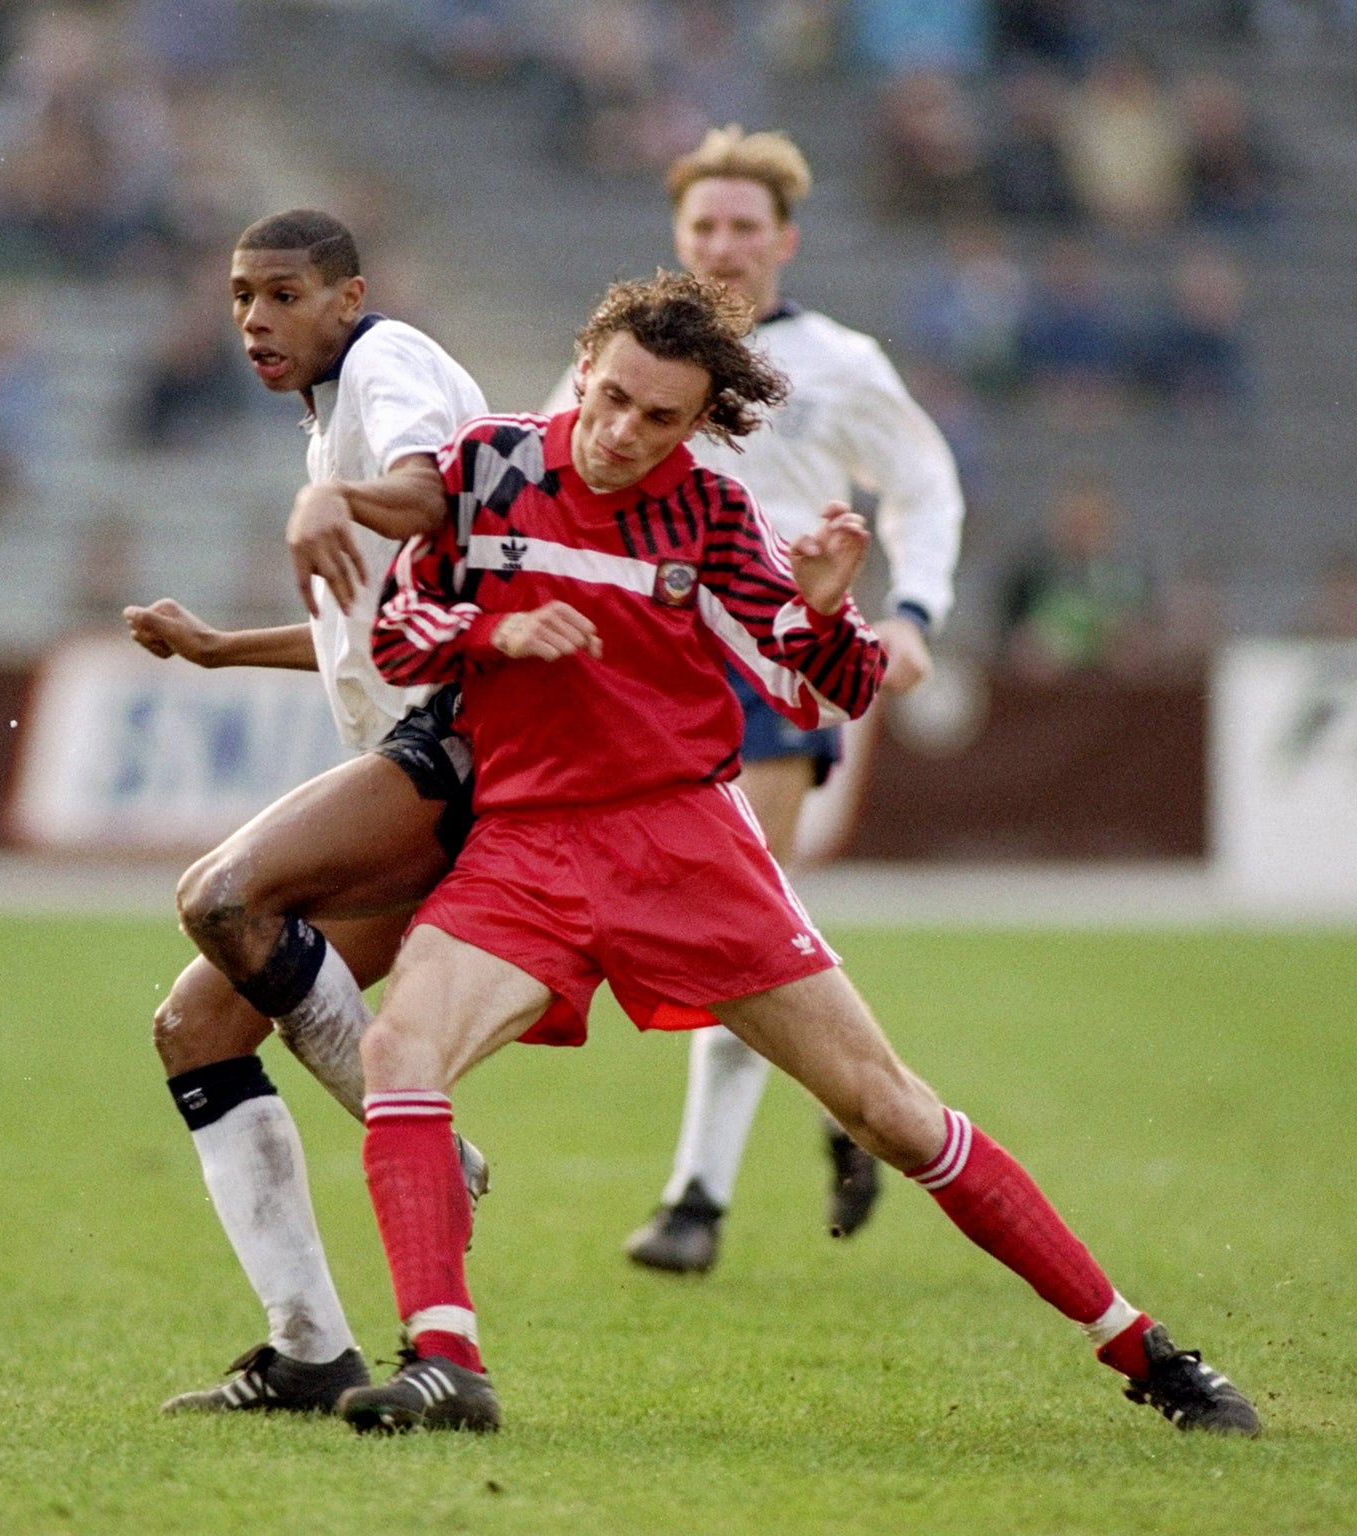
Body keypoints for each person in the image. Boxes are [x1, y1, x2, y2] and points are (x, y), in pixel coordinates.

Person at [335, 270, 1259, 1439]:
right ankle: (443, 1362)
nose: (623, 432)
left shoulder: (711, 515)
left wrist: (828, 608)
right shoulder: (489, 465)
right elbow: (397, 634)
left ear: (701, 421)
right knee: (400, 1046)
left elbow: (844, 684)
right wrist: (493, 629)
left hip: (681, 843)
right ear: (584, 365)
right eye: (612, 397)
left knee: (888, 1113)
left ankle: (1146, 1351)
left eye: (659, 417)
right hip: (527, 843)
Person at [543, 126, 966, 1274]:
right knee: (719, 915)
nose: (723, 245)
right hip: (643, 656)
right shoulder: (631, 359)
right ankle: (849, 1099)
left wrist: (913, 615)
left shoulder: (837, 360)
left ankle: (694, 1202)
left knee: (740, 906)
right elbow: (542, 472)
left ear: (782, 239)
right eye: (702, 228)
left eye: (742, 227)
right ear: (677, 238)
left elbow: (923, 481)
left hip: (770, 656)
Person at [119, 209, 490, 1414]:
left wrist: (329, 506)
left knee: (222, 897)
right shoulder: (329, 408)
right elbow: (365, 621)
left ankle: (426, 1138)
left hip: (466, 735)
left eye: (280, 295)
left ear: (347, 296)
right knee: (197, 1029)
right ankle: (310, 1350)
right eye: (239, 298)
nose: (254, 320)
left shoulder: (383, 365)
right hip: (415, 737)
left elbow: (429, 489)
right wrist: (225, 650)